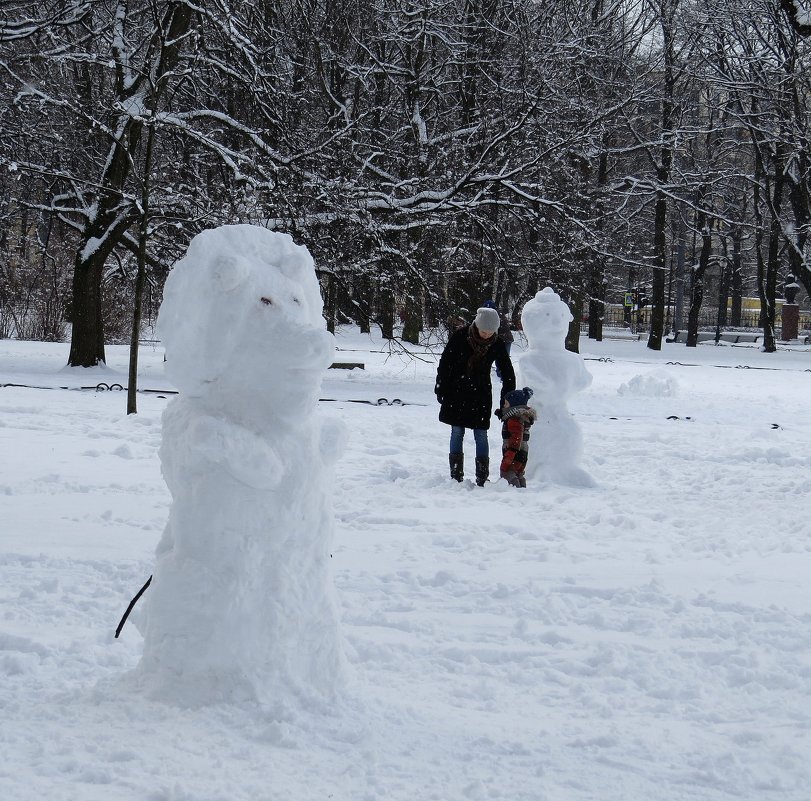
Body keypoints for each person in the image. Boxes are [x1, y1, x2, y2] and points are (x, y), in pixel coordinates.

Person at [435, 306, 516, 486]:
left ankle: (482, 477)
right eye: (483, 331)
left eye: (490, 332)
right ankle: (456, 476)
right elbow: (445, 363)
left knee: (481, 434)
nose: (487, 335)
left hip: (480, 394)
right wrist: (441, 387)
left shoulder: (496, 343)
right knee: (457, 432)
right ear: (477, 326)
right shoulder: (460, 337)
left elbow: (507, 372)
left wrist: (507, 398)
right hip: (457, 391)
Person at [498, 386, 536, 488]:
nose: (504, 406)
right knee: (518, 473)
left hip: (514, 452)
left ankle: (514, 491)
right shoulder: (522, 417)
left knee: (507, 473)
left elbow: (516, 438)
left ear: (514, 406)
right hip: (522, 451)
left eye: (506, 403)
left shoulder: (514, 419)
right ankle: (521, 489)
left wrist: (509, 455)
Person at [483, 300, 514, 377]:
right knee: (502, 359)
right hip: (504, 339)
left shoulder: (496, 316)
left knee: (502, 359)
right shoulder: (497, 314)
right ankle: (503, 375)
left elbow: (496, 330)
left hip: (505, 340)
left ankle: (503, 376)